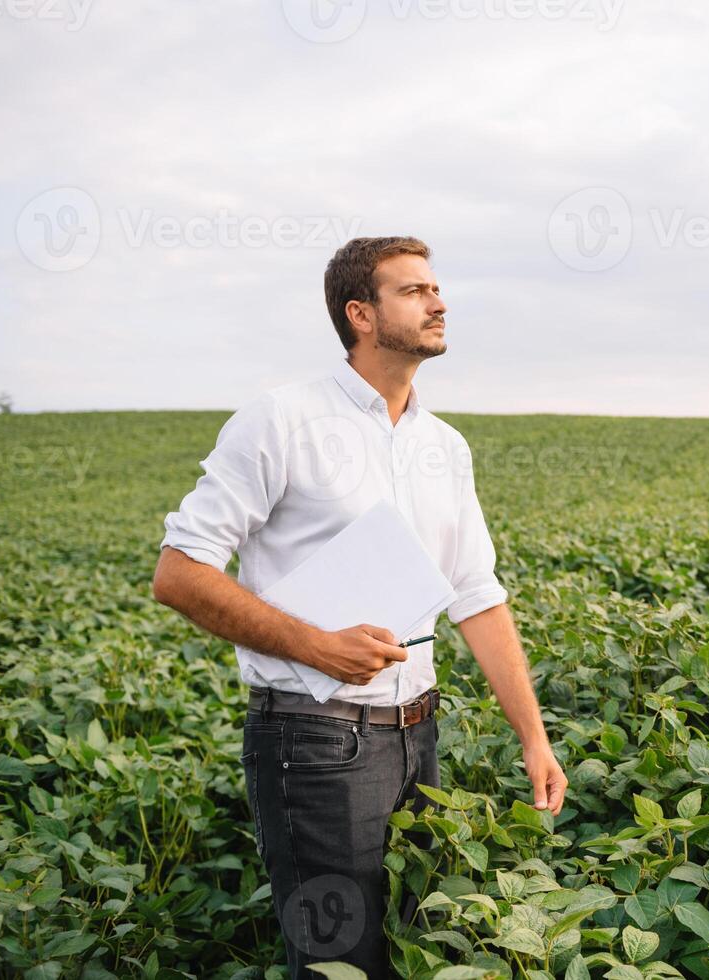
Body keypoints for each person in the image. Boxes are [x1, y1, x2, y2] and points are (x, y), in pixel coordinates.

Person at [151, 236, 568, 979]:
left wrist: (533, 737)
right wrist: (314, 644)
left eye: (436, 288)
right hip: (313, 742)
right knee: (340, 963)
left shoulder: (445, 446)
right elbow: (180, 573)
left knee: (416, 949)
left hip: (420, 736)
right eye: (413, 291)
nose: (438, 302)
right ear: (361, 314)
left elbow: (477, 594)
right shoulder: (282, 420)